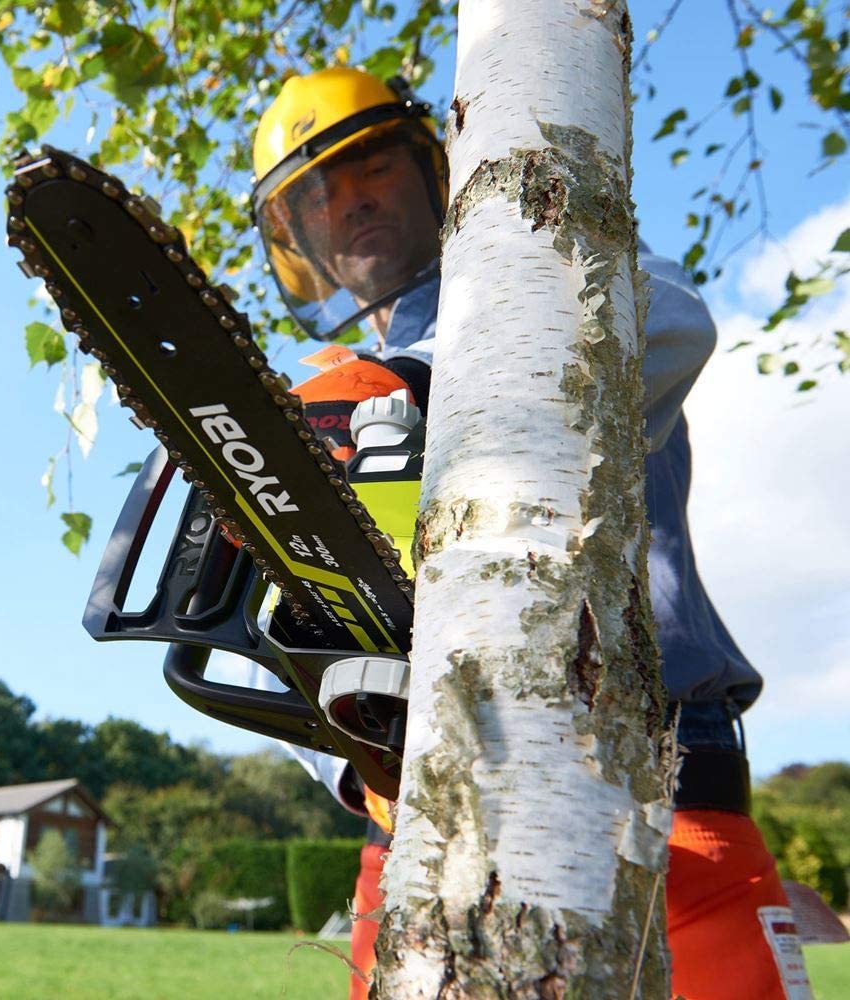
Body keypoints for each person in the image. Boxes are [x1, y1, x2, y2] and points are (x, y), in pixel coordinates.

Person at [248, 67, 810, 999]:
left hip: (657, 771)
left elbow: (676, 314)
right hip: (424, 814)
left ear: (431, 168)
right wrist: (353, 759)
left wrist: (426, 387)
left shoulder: (552, 270)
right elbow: (286, 630)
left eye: (372, 166)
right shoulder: (323, 403)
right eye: (317, 196)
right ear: (295, 239)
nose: (351, 203)